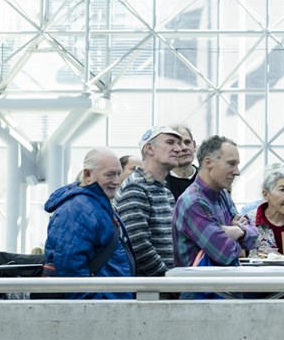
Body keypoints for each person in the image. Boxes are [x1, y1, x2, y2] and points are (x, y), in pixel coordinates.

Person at [42, 147, 133, 299]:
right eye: (110, 175)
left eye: (118, 174)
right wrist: (93, 304)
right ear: (87, 175)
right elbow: (69, 266)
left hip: (110, 302)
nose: (117, 181)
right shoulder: (77, 209)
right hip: (100, 305)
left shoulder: (95, 204)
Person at [175, 135, 258, 267]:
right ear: (208, 162)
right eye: (231, 164)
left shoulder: (222, 195)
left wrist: (238, 231)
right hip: (202, 280)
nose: (237, 172)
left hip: (222, 279)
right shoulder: (193, 203)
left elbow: (254, 238)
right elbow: (225, 253)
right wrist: (240, 235)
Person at [114, 126, 179, 279]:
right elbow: (139, 244)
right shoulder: (135, 187)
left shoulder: (165, 191)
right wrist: (165, 278)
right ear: (150, 148)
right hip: (150, 286)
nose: (178, 149)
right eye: (170, 142)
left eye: (178, 143)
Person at [155, 123, 199, 201]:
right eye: (178, 144)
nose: (184, 148)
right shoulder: (158, 184)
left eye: (187, 142)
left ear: (194, 146)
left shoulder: (208, 179)